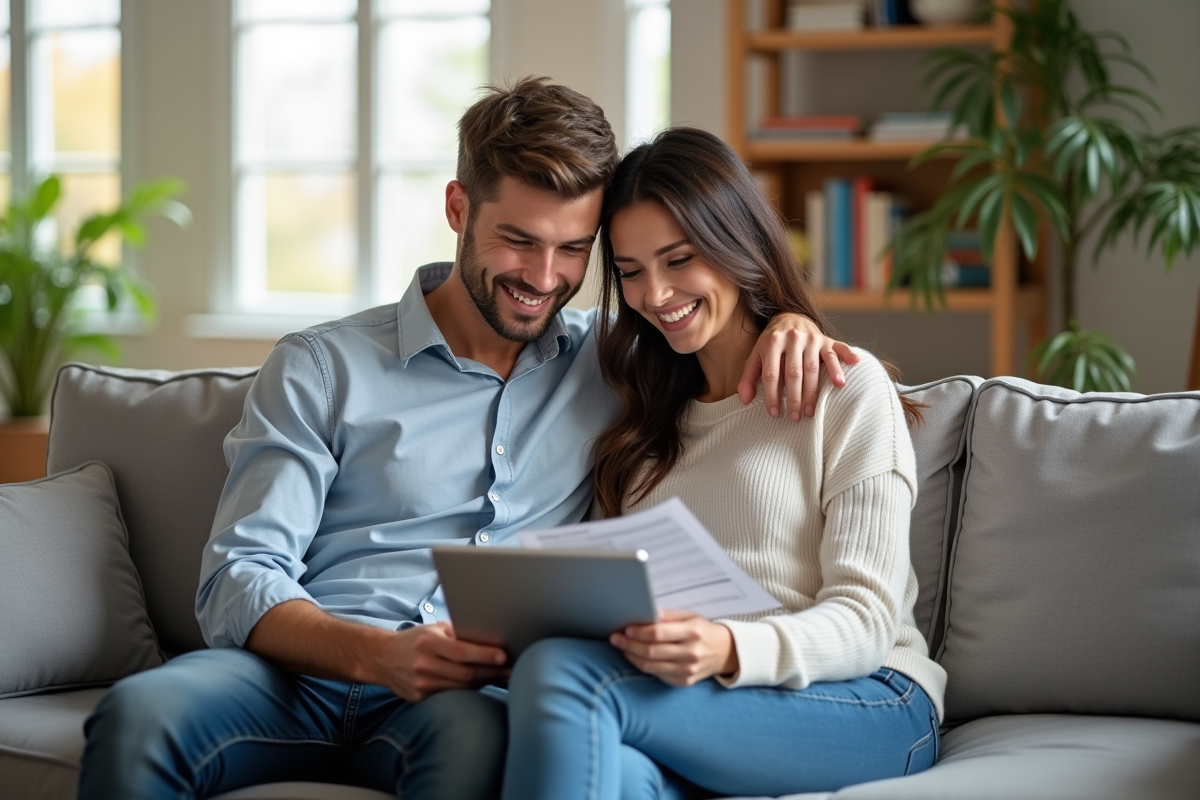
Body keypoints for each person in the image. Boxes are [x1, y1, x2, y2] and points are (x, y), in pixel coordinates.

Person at [76, 80, 852, 800]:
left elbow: (713, 330)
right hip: (294, 676)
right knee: (139, 715)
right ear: (458, 208)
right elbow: (237, 574)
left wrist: (788, 323)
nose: (544, 277)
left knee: (479, 750)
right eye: (518, 240)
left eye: (574, 249)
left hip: (463, 698)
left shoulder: (616, 361)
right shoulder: (322, 365)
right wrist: (375, 654)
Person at [501, 127, 948, 800]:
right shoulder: (638, 417)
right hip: (705, 699)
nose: (655, 294)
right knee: (617, 776)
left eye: (679, 259)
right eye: (631, 271)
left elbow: (866, 622)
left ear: (737, 242)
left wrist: (727, 647)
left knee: (566, 674)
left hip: (871, 696)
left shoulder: (844, 387)